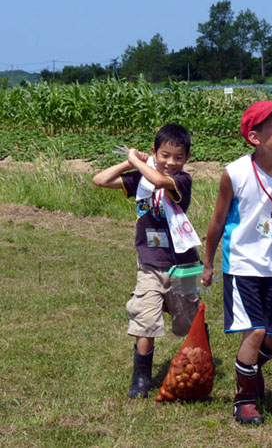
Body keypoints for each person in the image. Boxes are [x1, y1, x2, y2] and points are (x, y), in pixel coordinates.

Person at [201, 100, 272, 425]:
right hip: (242, 265)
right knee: (256, 331)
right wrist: (208, 263)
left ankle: (251, 369)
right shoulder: (235, 173)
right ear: (255, 137)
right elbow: (217, 221)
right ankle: (244, 399)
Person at [92, 124, 200, 399]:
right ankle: (141, 378)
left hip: (183, 265)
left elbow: (163, 182)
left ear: (186, 159)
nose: (171, 162)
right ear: (154, 153)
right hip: (150, 264)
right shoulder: (141, 179)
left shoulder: (182, 181)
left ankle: (199, 347)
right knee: (144, 321)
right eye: (164, 155)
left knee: (185, 325)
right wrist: (130, 162)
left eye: (178, 157)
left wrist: (137, 164)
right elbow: (100, 180)